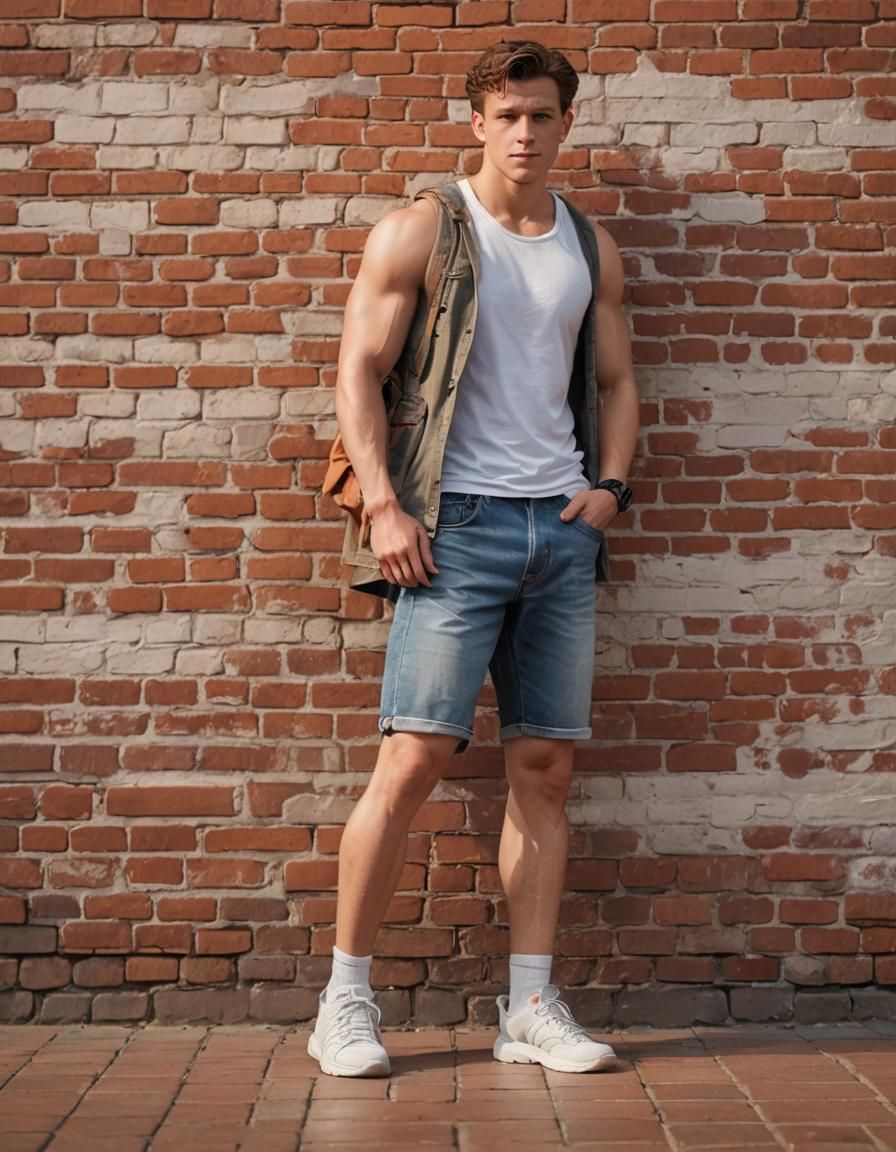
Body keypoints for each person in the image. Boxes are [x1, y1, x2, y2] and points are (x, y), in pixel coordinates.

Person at [308, 40, 640, 1078]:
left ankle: (528, 1008)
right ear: (476, 123)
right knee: (412, 759)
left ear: (566, 123)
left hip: (560, 530)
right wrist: (385, 508)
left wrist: (609, 489)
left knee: (545, 768)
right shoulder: (423, 228)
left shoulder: (588, 245)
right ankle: (343, 1002)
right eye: (506, 115)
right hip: (452, 531)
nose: (524, 133)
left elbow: (617, 382)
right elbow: (357, 372)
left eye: (541, 115)